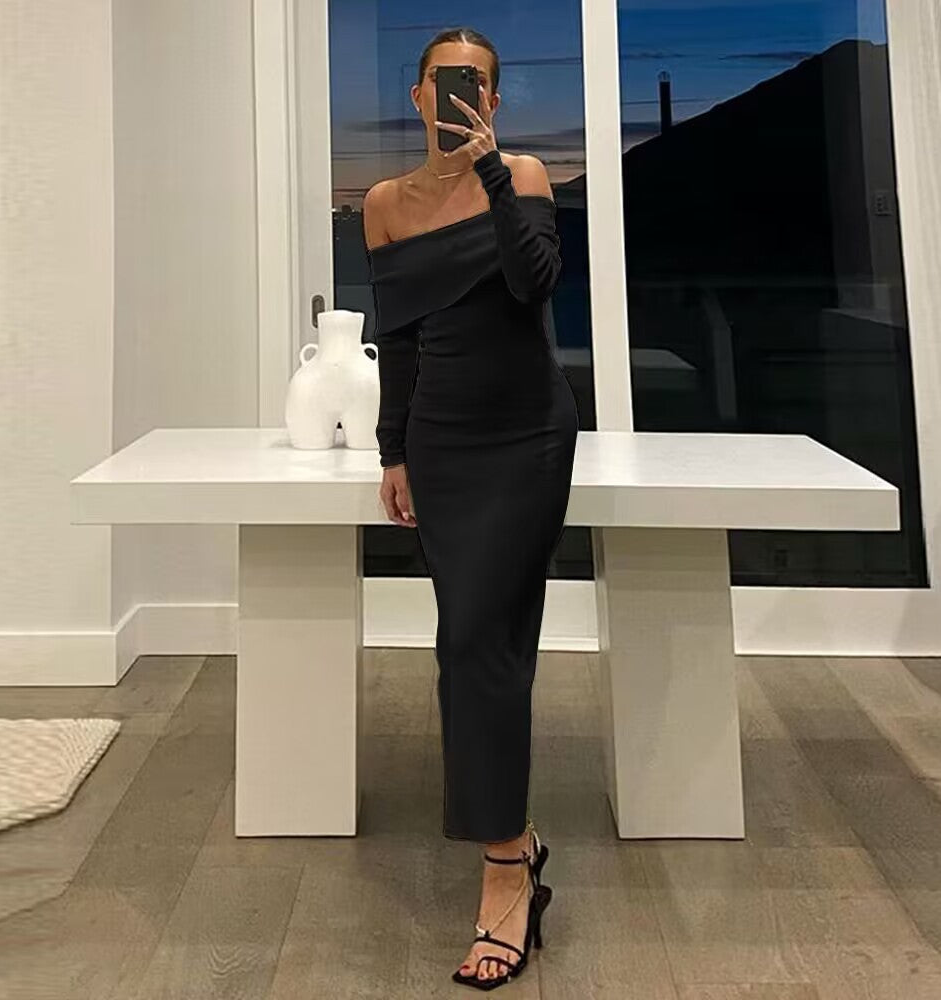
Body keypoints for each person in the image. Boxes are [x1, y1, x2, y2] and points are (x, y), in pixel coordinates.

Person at [363, 26, 579, 990]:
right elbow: (400, 341)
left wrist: (491, 171)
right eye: (445, 82)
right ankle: (515, 848)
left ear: (492, 100)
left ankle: (503, 867)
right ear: (418, 97)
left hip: (526, 435)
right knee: (471, 640)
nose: (461, 96)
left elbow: (535, 284)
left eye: (478, 84)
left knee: (479, 642)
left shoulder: (521, 174)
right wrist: (394, 450)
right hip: (443, 442)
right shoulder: (383, 204)